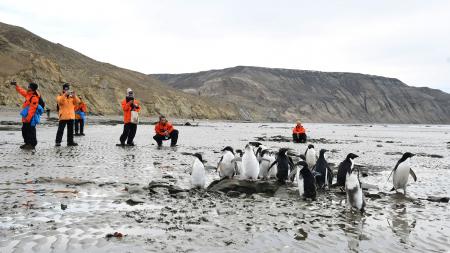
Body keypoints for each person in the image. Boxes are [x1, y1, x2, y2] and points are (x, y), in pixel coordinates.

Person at [11, 80, 43, 149]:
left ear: (32, 89)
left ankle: (32, 144)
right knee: (24, 130)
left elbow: (32, 109)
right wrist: (16, 85)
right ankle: (27, 143)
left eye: (29, 87)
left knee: (31, 131)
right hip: (26, 117)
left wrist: (28, 118)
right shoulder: (29, 94)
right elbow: (21, 91)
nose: (28, 87)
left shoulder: (34, 97)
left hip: (31, 118)